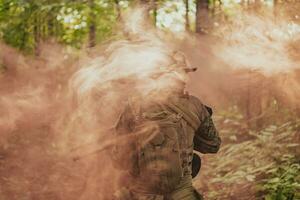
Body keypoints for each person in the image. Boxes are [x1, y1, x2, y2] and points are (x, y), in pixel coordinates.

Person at [111, 51, 221, 200]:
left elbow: (119, 160)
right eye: (185, 72)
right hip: (182, 193)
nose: (187, 77)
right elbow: (213, 145)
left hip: (142, 193)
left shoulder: (135, 105)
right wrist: (185, 136)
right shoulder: (195, 106)